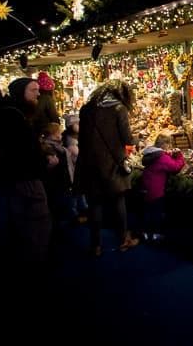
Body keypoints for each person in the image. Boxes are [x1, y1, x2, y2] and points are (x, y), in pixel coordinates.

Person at [76, 80, 139, 256]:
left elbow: (82, 138)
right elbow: (127, 139)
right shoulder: (119, 109)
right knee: (118, 202)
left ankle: (95, 245)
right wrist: (134, 143)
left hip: (89, 163)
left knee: (94, 204)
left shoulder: (87, 109)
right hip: (112, 164)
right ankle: (123, 240)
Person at [0, 77, 55, 265]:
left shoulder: (11, 113)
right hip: (26, 177)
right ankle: (34, 263)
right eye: (33, 90)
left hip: (17, 177)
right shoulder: (15, 116)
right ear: (21, 92)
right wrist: (44, 159)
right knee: (37, 221)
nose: (38, 94)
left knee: (23, 221)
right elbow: (22, 150)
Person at [141, 134, 185, 242]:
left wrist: (168, 155)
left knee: (147, 212)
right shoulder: (161, 157)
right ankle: (155, 235)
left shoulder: (151, 154)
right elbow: (175, 167)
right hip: (156, 191)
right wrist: (179, 156)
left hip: (146, 187)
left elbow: (161, 163)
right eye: (168, 144)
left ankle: (145, 234)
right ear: (165, 144)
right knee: (156, 213)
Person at [62, 114, 87, 223]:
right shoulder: (70, 141)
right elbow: (76, 155)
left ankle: (82, 207)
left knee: (80, 189)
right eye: (77, 124)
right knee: (75, 192)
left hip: (78, 170)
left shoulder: (76, 138)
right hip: (73, 171)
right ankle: (74, 213)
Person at [32, 71, 60, 137]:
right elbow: (53, 116)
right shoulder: (47, 99)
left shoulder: (36, 98)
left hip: (37, 130)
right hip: (47, 131)